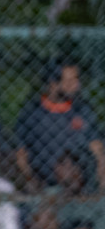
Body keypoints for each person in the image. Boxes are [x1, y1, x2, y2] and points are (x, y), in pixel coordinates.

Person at [16, 59, 105, 193]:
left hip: (80, 187)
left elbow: (98, 151)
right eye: (70, 81)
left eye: (77, 79)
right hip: (45, 187)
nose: (77, 85)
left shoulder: (82, 109)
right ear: (53, 84)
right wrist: (30, 180)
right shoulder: (32, 112)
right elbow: (20, 153)